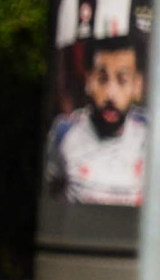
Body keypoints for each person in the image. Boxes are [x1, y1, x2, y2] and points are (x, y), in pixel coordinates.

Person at [46, 31, 149, 205]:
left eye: (122, 80)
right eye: (102, 79)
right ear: (88, 81)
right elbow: (49, 194)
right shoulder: (64, 133)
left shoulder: (150, 136)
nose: (110, 94)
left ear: (137, 85)